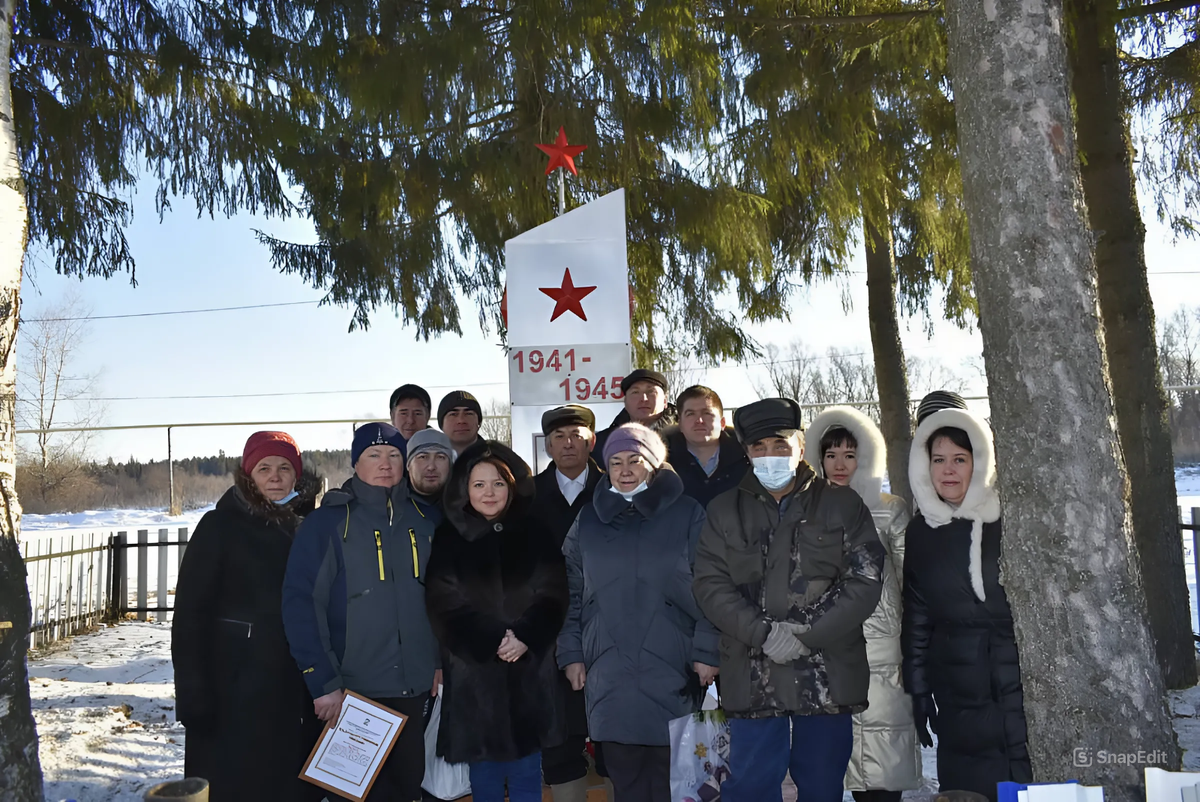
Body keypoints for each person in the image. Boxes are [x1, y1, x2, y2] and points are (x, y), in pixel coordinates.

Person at [692, 398, 885, 802]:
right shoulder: (723, 510)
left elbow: (864, 579)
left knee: (821, 787)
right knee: (750, 788)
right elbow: (711, 585)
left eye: (780, 445)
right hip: (753, 675)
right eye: (759, 448)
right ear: (746, 453)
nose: (770, 456)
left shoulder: (843, 504)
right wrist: (764, 634)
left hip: (826, 678)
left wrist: (806, 635)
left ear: (800, 445)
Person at [559, 423, 719, 802]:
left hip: (674, 667)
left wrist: (707, 650)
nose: (625, 469)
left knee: (678, 785)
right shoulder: (588, 520)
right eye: (615, 462)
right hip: (607, 668)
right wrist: (570, 653)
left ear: (655, 465)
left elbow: (711, 584)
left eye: (635, 460)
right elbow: (570, 592)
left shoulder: (687, 513)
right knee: (625, 781)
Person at [282, 423, 440, 802]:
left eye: (394, 455)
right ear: (356, 463)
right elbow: (301, 604)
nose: (385, 464)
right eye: (373, 455)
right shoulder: (329, 523)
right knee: (352, 794)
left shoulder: (427, 519)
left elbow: (443, 598)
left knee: (406, 790)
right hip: (352, 692)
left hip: (414, 687)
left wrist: (437, 661)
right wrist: (323, 682)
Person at [172, 432, 323, 802]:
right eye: (264, 468)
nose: (275, 476)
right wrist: (192, 694)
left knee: (289, 786)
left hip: (297, 692)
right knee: (236, 787)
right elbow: (191, 615)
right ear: (248, 474)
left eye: (285, 467)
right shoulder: (220, 526)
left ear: (297, 475)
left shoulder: (312, 528)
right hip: (232, 692)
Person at [425, 441, 569, 802]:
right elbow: (443, 603)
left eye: (498, 484)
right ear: (464, 489)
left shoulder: (536, 531)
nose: (489, 493)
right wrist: (490, 640)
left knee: (526, 775)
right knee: (484, 778)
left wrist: (525, 636)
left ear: (512, 486)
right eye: (479, 484)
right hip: (475, 677)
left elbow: (554, 593)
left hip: (528, 673)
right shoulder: (448, 536)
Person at [902, 407, 1030, 801]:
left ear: (981, 460)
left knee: (1023, 783)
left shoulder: (1008, 518)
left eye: (960, 459)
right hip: (955, 689)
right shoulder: (922, 529)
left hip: (1017, 682)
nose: (948, 470)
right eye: (938, 460)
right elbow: (917, 615)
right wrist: (919, 689)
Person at [805, 407, 920, 802]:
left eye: (849, 455)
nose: (840, 464)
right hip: (827, 648)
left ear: (865, 457)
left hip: (882, 648)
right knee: (833, 763)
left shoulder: (890, 509)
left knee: (883, 766)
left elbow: (910, 581)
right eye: (831, 454)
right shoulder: (806, 511)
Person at [531, 405, 606, 802]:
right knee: (559, 742)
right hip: (548, 634)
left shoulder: (614, 489)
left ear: (591, 441)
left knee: (615, 744)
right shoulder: (526, 495)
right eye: (558, 437)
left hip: (609, 628)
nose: (568, 443)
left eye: (576, 435)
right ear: (547, 446)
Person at [666, 385, 749, 509]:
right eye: (690, 414)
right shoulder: (663, 465)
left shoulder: (748, 461)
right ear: (680, 424)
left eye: (707, 413)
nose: (699, 420)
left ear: (722, 423)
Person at [591, 369, 677, 457]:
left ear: (665, 400)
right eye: (635, 392)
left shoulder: (684, 437)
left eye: (651, 392)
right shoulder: (603, 442)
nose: (644, 399)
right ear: (625, 401)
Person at [406, 428, 454, 516]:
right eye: (423, 457)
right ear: (408, 465)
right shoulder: (391, 507)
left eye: (440, 457)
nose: (431, 467)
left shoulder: (463, 508)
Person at [438, 389, 485, 455]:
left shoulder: (496, 460)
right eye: (453, 414)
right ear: (441, 424)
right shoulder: (428, 461)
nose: (461, 420)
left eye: (469, 414)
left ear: (479, 422)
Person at [390, 383, 433, 452]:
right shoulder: (381, 450)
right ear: (392, 416)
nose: (410, 420)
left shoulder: (442, 450)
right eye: (404, 413)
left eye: (417, 414)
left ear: (428, 416)